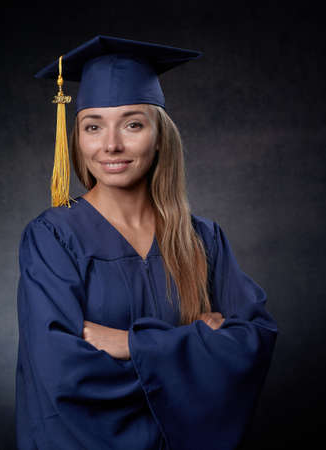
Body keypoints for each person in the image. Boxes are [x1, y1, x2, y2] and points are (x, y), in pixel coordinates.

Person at [15, 35, 278, 450]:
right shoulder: (53, 237)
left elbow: (253, 342)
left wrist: (128, 345)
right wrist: (195, 348)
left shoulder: (203, 239)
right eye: (93, 126)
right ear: (77, 139)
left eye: (132, 124)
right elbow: (61, 373)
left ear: (159, 136)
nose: (111, 144)